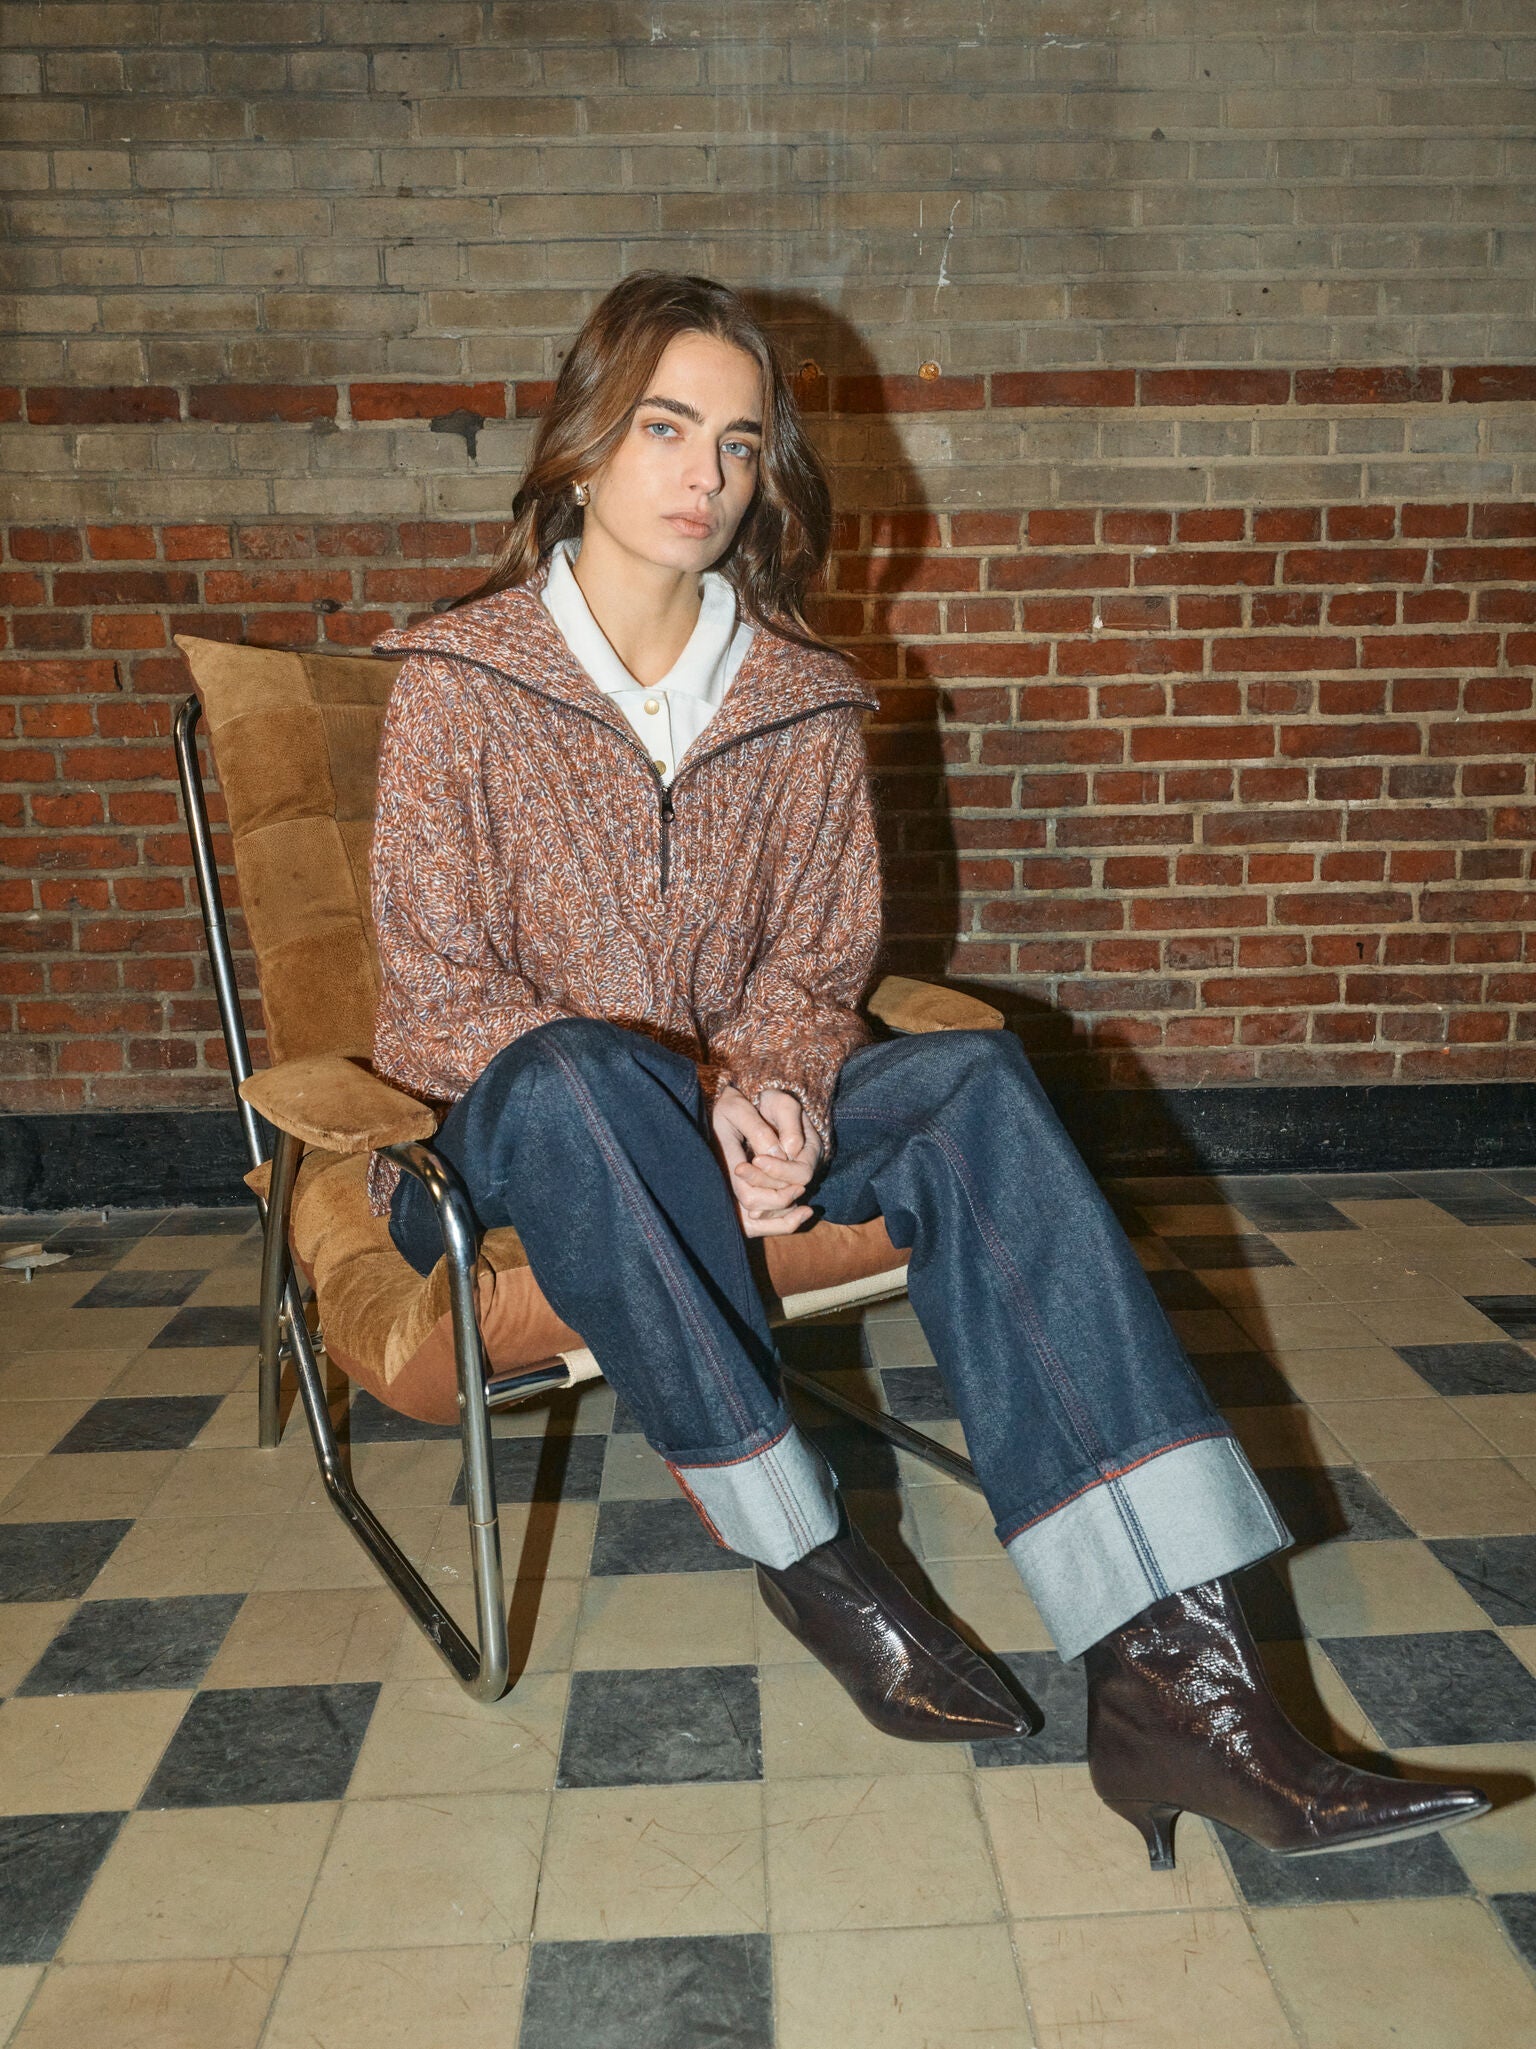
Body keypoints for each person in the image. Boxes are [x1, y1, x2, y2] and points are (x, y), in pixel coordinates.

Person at [365, 270, 1486, 1869]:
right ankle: (816, 1557)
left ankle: (1183, 1679)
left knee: (971, 1081)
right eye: (667, 427)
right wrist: (692, 1096)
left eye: (739, 442)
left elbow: (817, 964)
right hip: (502, 1149)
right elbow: (431, 997)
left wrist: (776, 1086)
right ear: (586, 441)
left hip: (741, 1123)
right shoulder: (460, 680)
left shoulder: (803, 696)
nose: (705, 474)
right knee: (569, 1078)